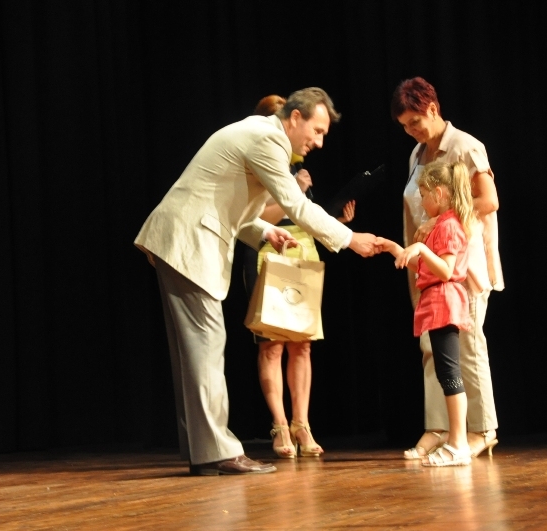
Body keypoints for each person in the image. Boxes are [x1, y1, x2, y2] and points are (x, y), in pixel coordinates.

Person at [134, 87, 379, 476]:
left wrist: (265, 231)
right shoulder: (268, 140)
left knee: (193, 352)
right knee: (206, 345)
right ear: (295, 118)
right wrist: (349, 239)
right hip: (188, 240)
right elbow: (296, 206)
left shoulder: (256, 132)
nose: (318, 142)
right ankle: (218, 451)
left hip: (179, 237)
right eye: (316, 131)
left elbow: (228, 201)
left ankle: (203, 449)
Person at [391, 77, 503, 460]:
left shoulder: (465, 146)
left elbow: (489, 200)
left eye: (415, 122)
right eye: (404, 126)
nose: (411, 130)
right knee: (432, 348)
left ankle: (481, 429)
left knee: (466, 347)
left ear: (433, 109)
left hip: (460, 264)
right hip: (426, 266)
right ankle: (438, 427)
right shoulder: (417, 154)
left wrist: (441, 221)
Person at [242, 95, 356, 459]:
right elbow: (256, 218)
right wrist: (299, 190)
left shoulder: (294, 164)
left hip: (303, 251)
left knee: (302, 344)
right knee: (272, 345)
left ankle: (301, 423)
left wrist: (335, 223)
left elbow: (303, 215)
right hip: (269, 252)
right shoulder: (260, 160)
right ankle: (279, 425)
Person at [376, 160, 475, 466]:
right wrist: (395, 248)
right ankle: (456, 443)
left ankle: (458, 444)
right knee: (446, 374)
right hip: (436, 300)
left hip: (445, 300)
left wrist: (420, 249)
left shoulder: (448, 226)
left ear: (440, 193)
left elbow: (445, 270)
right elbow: (425, 266)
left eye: (423, 195)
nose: (420, 202)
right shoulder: (440, 225)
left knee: (450, 374)